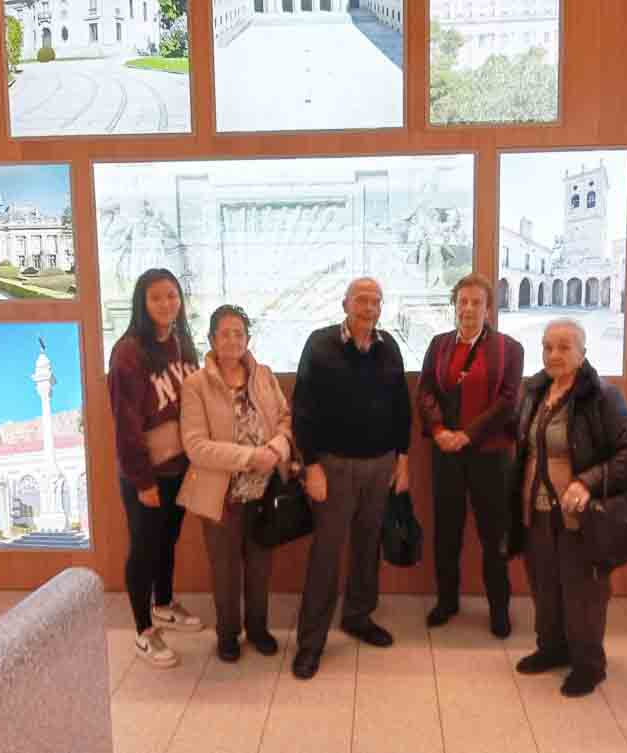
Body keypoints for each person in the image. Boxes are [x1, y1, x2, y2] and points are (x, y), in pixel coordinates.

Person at [513, 318, 627, 697]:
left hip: (580, 516)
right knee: (545, 585)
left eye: (564, 347)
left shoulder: (602, 396)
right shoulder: (535, 390)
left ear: (583, 353)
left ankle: (588, 665)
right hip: (536, 510)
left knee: (583, 590)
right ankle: (551, 649)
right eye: (547, 347)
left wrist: (587, 482)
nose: (554, 354)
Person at [291, 277, 412, 680]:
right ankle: (311, 642)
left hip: (380, 465)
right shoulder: (320, 345)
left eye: (376, 301)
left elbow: (401, 407)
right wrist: (311, 466)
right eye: (361, 300)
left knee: (367, 545)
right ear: (345, 303)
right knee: (326, 554)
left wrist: (403, 459)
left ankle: (358, 616)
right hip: (333, 468)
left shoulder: (388, 346)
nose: (369, 307)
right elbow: (302, 409)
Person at [178, 305, 292, 663]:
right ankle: (227, 634)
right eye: (224, 333)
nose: (232, 339)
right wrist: (250, 457)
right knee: (225, 570)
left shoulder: (264, 376)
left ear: (248, 338)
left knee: (260, 566)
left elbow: (286, 419)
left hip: (264, 493)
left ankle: (257, 628)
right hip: (221, 497)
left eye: (239, 333)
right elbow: (195, 446)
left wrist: (276, 449)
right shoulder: (196, 385)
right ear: (211, 339)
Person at [416, 273, 523, 636]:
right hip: (446, 452)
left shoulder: (510, 349)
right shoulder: (439, 345)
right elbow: (426, 391)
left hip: (491, 456)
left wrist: (467, 435)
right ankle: (447, 601)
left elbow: (508, 401)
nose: (469, 308)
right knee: (446, 531)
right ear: (454, 305)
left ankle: (499, 609)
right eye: (463, 301)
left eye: (477, 302)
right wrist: (439, 431)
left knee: (494, 535)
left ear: (489, 309)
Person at [108, 268, 204, 669]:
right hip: (147, 472)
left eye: (172, 295)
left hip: (179, 467)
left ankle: (163, 604)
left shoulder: (183, 343)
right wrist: (142, 480)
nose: (167, 304)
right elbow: (126, 425)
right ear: (142, 304)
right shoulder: (128, 353)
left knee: (167, 540)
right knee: (144, 548)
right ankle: (143, 630)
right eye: (157, 297)